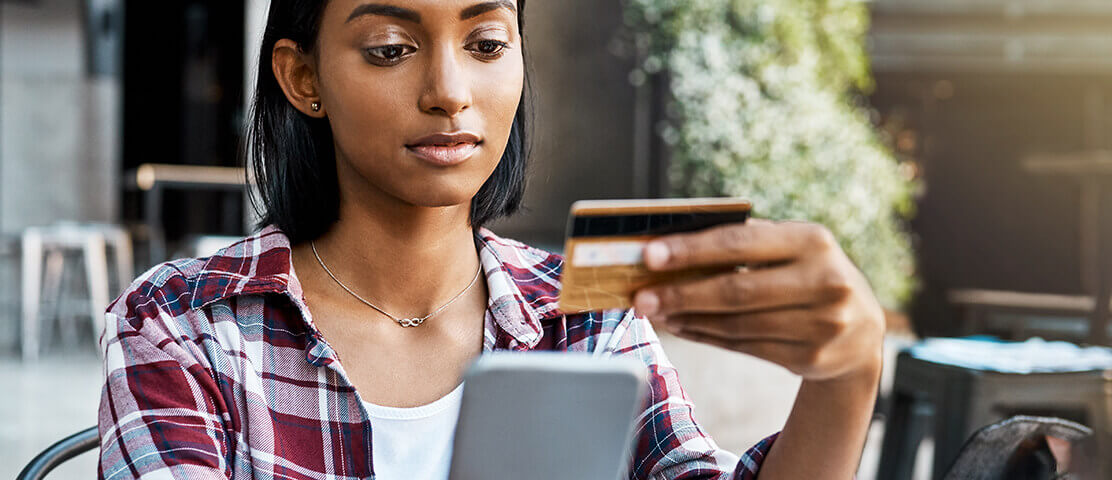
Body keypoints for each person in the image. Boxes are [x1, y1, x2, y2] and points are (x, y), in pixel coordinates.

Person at [97, 1, 885, 478]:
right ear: (303, 79)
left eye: (485, 44)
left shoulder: (587, 317)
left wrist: (846, 377)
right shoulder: (182, 326)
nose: (448, 92)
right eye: (390, 50)